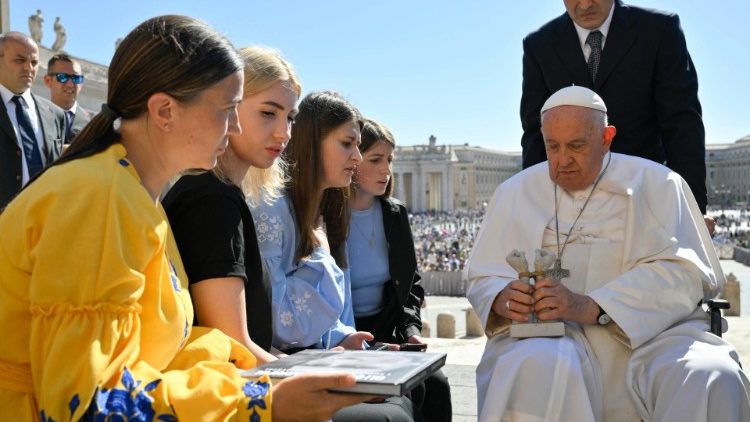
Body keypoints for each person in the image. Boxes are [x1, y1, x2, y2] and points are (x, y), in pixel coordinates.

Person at [0, 15, 374, 421]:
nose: (233, 126)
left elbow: (154, 351)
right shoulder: (99, 196)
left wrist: (260, 374)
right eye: (227, 110)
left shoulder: (129, 191)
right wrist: (261, 402)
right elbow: (86, 402)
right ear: (164, 111)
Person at [467, 86, 749, 421]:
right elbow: (483, 274)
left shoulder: (660, 184)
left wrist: (592, 306)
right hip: (552, 335)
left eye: (576, 145)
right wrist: (502, 297)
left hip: (653, 337)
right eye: (552, 146)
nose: (561, 160)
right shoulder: (515, 192)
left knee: (711, 375)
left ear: (606, 138)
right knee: (532, 365)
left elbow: (686, 274)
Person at [251, 91, 415, 421]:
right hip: (285, 367)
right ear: (312, 143)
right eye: (347, 144)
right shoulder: (272, 209)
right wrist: (323, 256)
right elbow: (279, 319)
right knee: (392, 414)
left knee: (417, 391)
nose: (356, 157)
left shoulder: (315, 210)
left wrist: (342, 336)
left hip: (315, 353)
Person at [163, 45, 301, 365]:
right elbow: (233, 349)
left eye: (290, 117)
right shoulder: (212, 202)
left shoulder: (217, 194)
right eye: (269, 113)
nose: (284, 132)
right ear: (230, 107)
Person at [520, 0, 708, 215]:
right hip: (569, 206)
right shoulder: (539, 45)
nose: (584, 5)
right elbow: (536, 133)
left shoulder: (659, 30)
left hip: (645, 199)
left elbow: (682, 123)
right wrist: (533, 209)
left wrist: (694, 209)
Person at [347, 118, 452, 421]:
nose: (386, 169)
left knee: (437, 385)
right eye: (376, 159)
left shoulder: (395, 213)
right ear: (352, 158)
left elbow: (411, 283)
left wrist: (411, 332)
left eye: (390, 160)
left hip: (388, 333)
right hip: (347, 338)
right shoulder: (325, 216)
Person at [0, 32, 66, 208]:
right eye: (20, 60)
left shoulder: (55, 115)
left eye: (34, 62)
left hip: (46, 222)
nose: (29, 68)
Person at [44, 53, 92, 143]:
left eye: (76, 78)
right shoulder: (35, 116)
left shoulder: (92, 124)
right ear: (48, 81)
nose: (70, 84)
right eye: (63, 77)